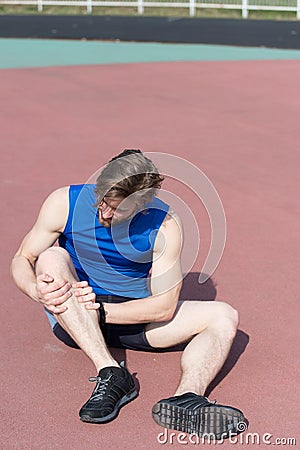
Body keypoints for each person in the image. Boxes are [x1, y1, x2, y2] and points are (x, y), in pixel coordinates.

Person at [11, 149, 246, 439]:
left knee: (224, 315)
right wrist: (36, 290)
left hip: (130, 318)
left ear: (143, 206)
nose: (104, 213)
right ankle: (110, 371)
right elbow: (22, 258)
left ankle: (186, 400)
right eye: (102, 202)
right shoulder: (64, 202)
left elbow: (164, 307)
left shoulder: (165, 224)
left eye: (117, 209)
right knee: (49, 258)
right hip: (73, 318)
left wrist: (100, 310)